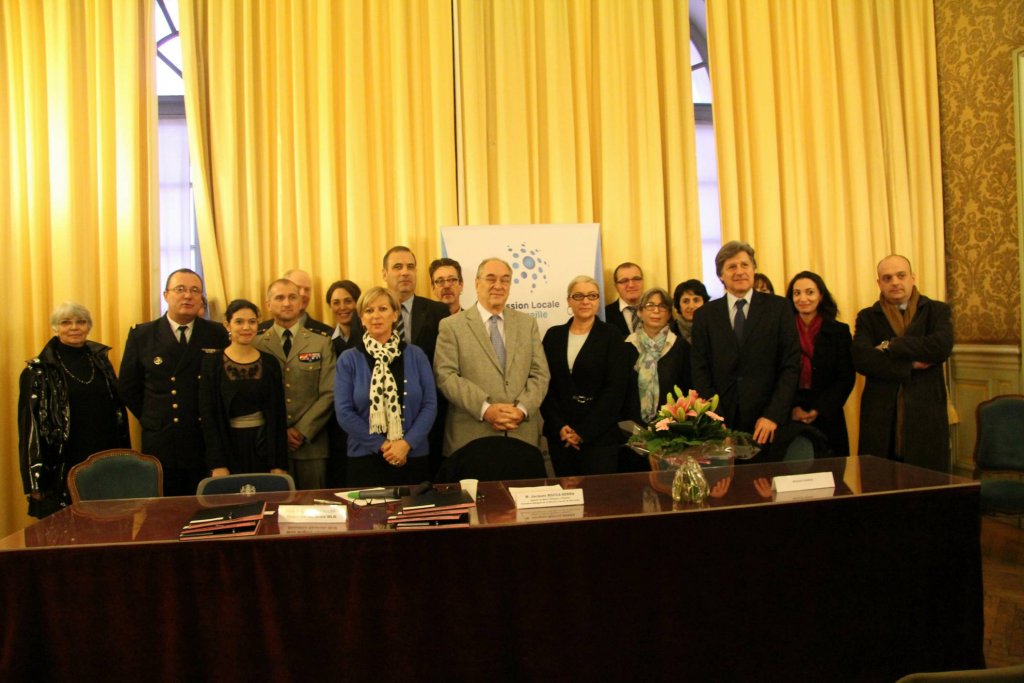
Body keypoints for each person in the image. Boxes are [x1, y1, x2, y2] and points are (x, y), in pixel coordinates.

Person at [119, 268, 229, 495]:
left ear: (201, 298)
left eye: (194, 290)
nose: (187, 296)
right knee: (164, 510)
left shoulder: (216, 333)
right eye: (180, 289)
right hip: (162, 438)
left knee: (207, 509)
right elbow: (129, 387)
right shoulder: (143, 335)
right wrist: (154, 415)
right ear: (166, 294)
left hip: (203, 439)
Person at [18, 302, 131, 517]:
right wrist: (35, 482)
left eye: (81, 322)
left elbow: (118, 414)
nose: (74, 327)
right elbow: (29, 429)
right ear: (55, 328)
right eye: (66, 322)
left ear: (88, 327)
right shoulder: (38, 371)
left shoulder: (101, 362)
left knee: (109, 528)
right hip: (62, 463)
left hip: (104, 458)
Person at [690, 242, 800, 455]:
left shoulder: (779, 308)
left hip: (767, 423)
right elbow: (700, 369)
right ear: (721, 275)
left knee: (766, 485)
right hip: (722, 422)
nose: (739, 271)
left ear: (754, 269)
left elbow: (790, 365)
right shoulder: (705, 315)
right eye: (731, 267)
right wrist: (715, 418)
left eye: (744, 265)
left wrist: (773, 415)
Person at [434, 258, 551, 456]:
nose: (498, 285)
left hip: (520, 434)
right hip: (471, 438)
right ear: (477, 283)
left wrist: (521, 409)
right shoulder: (451, 326)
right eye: (491, 279)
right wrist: (485, 409)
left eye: (505, 280)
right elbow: (446, 376)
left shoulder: (527, 324)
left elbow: (540, 374)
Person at [852, 255, 953, 472]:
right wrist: (909, 366)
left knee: (927, 483)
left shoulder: (937, 311)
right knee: (879, 482)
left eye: (901, 275)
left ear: (913, 278)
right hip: (880, 414)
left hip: (925, 409)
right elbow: (862, 359)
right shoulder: (868, 317)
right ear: (879, 283)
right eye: (887, 278)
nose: (895, 282)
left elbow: (940, 347)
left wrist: (891, 345)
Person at [335, 287, 437, 486]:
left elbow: (430, 405)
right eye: (369, 311)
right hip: (365, 458)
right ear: (362, 319)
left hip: (413, 454)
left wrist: (406, 444)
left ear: (395, 315)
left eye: (382, 309)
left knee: (415, 515)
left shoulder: (416, 355)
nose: (376, 316)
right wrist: (384, 446)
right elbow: (344, 412)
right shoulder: (349, 359)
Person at [541, 276, 630, 476]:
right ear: (568, 301)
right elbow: (545, 385)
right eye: (578, 296)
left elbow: (615, 390)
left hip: (600, 436)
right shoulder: (553, 336)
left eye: (592, 296)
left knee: (599, 502)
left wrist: (584, 432)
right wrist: (560, 426)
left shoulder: (612, 336)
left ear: (598, 301)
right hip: (561, 436)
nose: (585, 301)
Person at [253, 279, 336, 489]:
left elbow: (329, 392)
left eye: (292, 297)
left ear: (301, 303)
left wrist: (301, 430)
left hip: (311, 444)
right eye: (279, 298)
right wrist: (279, 431)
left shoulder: (321, 342)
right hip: (269, 443)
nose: (287, 303)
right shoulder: (256, 343)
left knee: (315, 509)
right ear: (268, 304)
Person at [198, 299, 288, 477]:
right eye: (239, 321)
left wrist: (278, 463)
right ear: (227, 325)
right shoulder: (212, 363)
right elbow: (208, 417)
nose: (246, 327)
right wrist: (217, 463)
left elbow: (278, 415)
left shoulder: (270, 363)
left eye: (252, 321)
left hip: (263, 447)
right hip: (228, 448)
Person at [785, 271, 855, 455]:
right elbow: (776, 374)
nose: (803, 298)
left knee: (833, 476)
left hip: (828, 415)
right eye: (797, 293)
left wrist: (819, 409)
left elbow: (846, 377)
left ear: (821, 296)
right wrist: (793, 408)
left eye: (810, 292)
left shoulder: (839, 331)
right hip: (790, 413)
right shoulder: (783, 331)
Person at [622, 288, 693, 471]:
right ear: (640, 311)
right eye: (650, 305)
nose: (656, 311)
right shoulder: (626, 346)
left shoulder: (680, 348)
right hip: (630, 437)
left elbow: (687, 395)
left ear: (669, 313)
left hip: (671, 438)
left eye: (662, 306)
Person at [382, 246, 450, 364]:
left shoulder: (438, 312)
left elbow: (446, 361)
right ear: (384, 274)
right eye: (398, 267)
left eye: (410, 267)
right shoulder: (368, 314)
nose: (405, 272)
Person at [258, 268, 334, 337]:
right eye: (297, 288)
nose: (303, 294)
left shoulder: (325, 333)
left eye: (307, 289)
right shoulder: (258, 333)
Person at [604, 262, 645, 336]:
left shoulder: (659, 309)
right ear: (616, 286)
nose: (631, 285)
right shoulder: (605, 315)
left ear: (643, 281)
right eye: (624, 281)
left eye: (636, 279)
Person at [326, 280, 363, 357]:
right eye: (336, 303)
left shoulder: (370, 336)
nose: (342, 307)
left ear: (358, 303)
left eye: (348, 301)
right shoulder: (325, 340)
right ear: (330, 306)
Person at [671, 279, 710, 343]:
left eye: (696, 300)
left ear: (704, 302)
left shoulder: (714, 328)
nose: (691, 306)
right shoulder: (670, 331)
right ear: (679, 305)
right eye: (686, 301)